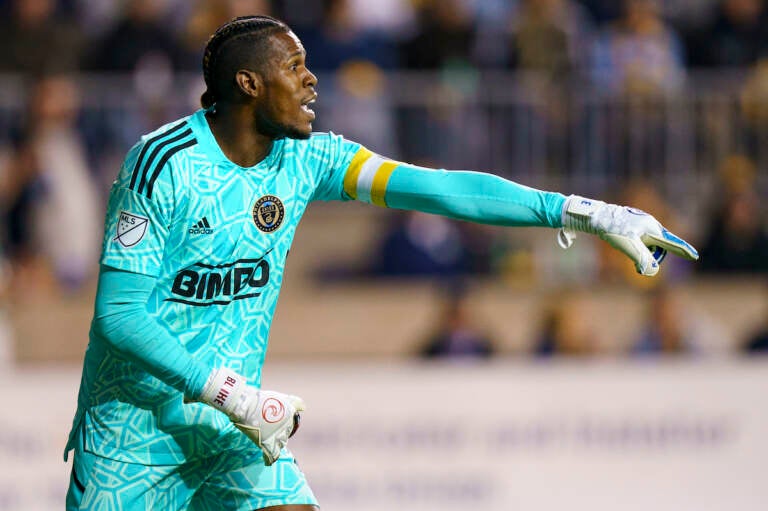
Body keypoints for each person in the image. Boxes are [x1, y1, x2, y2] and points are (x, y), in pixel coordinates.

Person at [64, 14, 699, 511]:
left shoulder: (308, 158)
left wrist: (583, 213)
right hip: (133, 434)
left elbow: (441, 188)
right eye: (295, 67)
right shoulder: (162, 164)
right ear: (248, 83)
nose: (313, 80)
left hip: (234, 429)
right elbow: (120, 318)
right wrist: (232, 393)